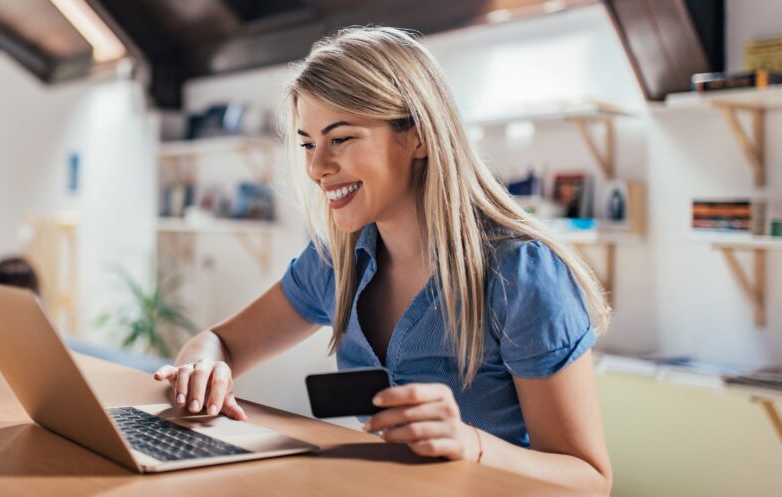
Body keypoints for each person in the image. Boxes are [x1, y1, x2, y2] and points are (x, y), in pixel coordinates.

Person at [152, 27, 613, 494]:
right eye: (309, 144)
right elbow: (219, 342)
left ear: (418, 138)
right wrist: (203, 368)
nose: (316, 169)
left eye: (342, 138)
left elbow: (590, 479)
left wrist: (468, 443)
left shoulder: (522, 274)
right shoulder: (336, 261)